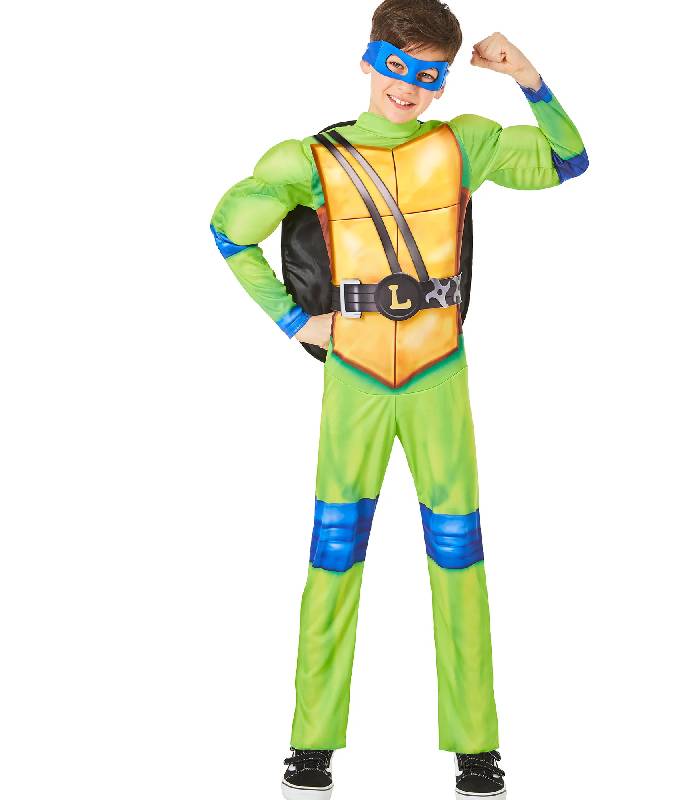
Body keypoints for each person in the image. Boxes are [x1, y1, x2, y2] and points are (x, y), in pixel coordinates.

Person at [209, 1, 588, 797]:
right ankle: (311, 743)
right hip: (354, 377)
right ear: (369, 59)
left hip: (437, 373)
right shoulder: (311, 157)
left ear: (444, 81)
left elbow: (568, 160)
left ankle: (476, 746)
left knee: (458, 554)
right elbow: (229, 229)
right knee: (334, 552)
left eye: (428, 74)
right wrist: (292, 321)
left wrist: (527, 76)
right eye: (397, 65)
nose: (408, 86)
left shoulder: (463, 145)